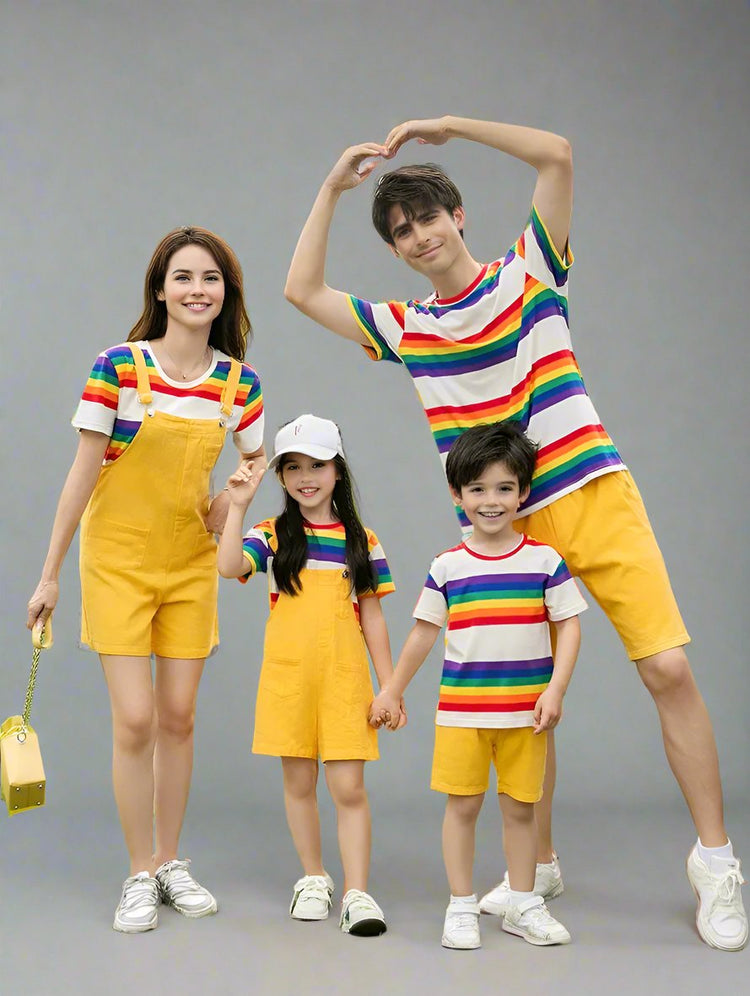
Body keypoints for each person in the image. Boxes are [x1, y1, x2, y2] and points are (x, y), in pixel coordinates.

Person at [283, 116, 747, 951]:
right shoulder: (404, 328)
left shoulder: (530, 271)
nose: (417, 237)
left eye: (426, 217)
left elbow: (559, 154)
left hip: (592, 491)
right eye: (398, 232)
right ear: (393, 252)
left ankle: (717, 863)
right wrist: (330, 187)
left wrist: (448, 126)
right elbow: (302, 292)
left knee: (668, 668)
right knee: (528, 699)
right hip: (500, 529)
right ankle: (542, 865)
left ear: (457, 215)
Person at [26, 226, 265, 933]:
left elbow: (231, 496)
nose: (198, 290)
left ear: (227, 293)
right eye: (184, 277)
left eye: (211, 279)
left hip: (191, 565)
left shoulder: (239, 385)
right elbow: (82, 475)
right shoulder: (118, 369)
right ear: (160, 289)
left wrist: (240, 501)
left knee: (178, 718)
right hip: (118, 563)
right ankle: (137, 873)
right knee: (134, 720)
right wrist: (50, 575)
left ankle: (168, 860)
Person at [370, 421, 586, 948]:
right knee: (462, 807)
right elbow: (423, 634)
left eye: (505, 488)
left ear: (523, 492)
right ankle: (461, 905)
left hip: (524, 717)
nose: (492, 501)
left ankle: (523, 901)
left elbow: (569, 626)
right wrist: (391, 690)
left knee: (520, 810)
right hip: (463, 717)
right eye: (478, 489)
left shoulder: (544, 562)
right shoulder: (448, 567)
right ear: (457, 494)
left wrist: (555, 689)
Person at [217, 413, 401, 936]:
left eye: (317, 465)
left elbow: (373, 618)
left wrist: (389, 687)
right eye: (293, 467)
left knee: (348, 788)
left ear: (337, 471)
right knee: (299, 783)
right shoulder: (272, 535)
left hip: (345, 680)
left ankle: (358, 893)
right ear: (279, 476)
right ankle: (314, 877)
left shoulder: (361, 540)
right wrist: (238, 506)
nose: (306, 476)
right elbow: (229, 567)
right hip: (290, 678)